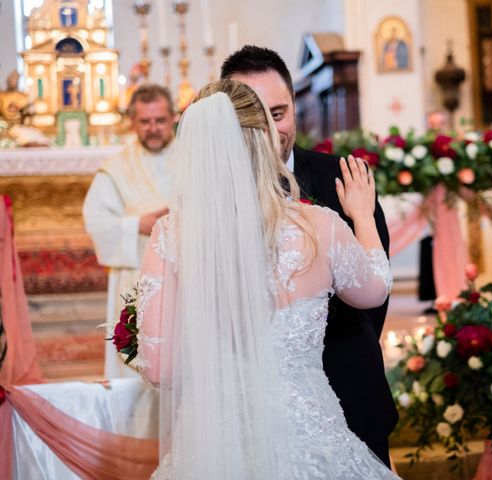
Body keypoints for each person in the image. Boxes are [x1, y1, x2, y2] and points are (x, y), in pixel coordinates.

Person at [137, 79, 398, 478]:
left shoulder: (170, 236)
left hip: (214, 446)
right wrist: (362, 217)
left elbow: (159, 370)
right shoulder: (320, 226)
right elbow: (374, 292)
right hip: (311, 439)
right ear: (266, 140)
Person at [219, 45, 398, 466]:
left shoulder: (342, 177)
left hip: (349, 381)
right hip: (251, 398)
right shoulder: (216, 192)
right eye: (256, 116)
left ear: (295, 107)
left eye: (279, 114)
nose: (271, 130)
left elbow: (375, 290)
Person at [83, 84, 174, 378]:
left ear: (173, 118)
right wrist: (138, 225)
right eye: (145, 121)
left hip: (185, 273)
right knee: (137, 367)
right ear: (132, 122)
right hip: (136, 278)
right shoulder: (115, 168)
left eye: (160, 120)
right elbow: (96, 221)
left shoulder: (194, 157)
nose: (153, 128)